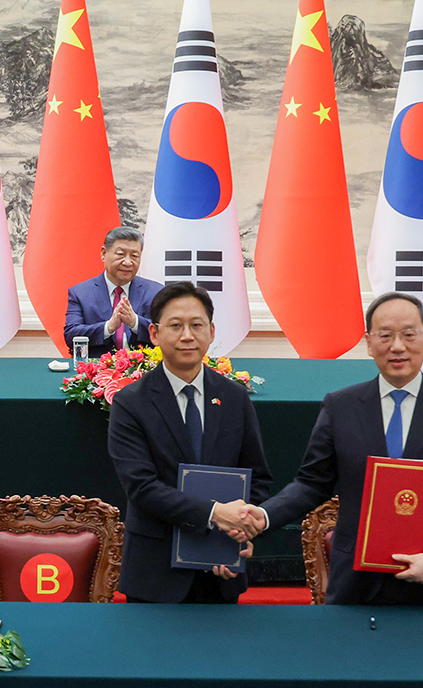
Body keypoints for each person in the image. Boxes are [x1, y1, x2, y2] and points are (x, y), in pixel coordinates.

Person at [230, 293, 423, 606]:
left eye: (409, 334)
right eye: (385, 335)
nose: (397, 346)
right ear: (369, 343)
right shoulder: (341, 406)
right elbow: (311, 484)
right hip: (356, 585)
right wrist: (264, 515)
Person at [107, 281, 272, 603]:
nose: (187, 336)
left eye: (196, 325)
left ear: (211, 332)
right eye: (175, 326)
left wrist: (242, 531)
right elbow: (141, 487)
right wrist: (215, 513)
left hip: (222, 566)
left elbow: (258, 477)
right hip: (155, 573)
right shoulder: (131, 402)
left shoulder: (234, 397)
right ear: (154, 334)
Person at [64, 227, 164, 358]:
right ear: (104, 253)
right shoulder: (80, 293)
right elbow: (71, 336)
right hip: (97, 368)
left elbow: (167, 332)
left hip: (144, 367)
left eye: (134, 256)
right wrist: (108, 327)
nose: (128, 262)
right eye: (121, 254)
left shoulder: (156, 292)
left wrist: (135, 322)